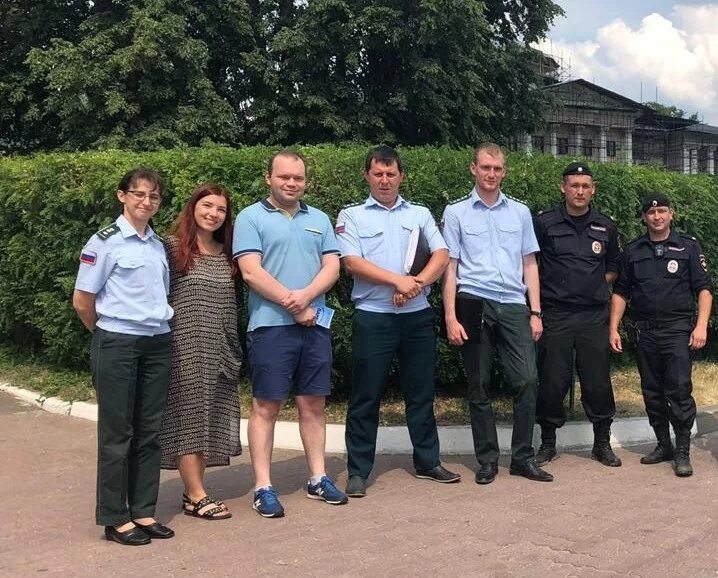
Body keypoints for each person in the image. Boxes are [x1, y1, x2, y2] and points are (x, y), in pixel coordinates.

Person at [337, 145, 461, 498]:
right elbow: (352, 263)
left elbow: (441, 254)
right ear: (367, 176)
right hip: (373, 318)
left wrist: (416, 284)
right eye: (378, 173)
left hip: (416, 317)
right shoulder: (352, 215)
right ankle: (358, 471)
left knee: (420, 393)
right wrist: (397, 282)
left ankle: (428, 462)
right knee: (365, 396)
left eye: (391, 174)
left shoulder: (420, 213)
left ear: (401, 176)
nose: (385, 180)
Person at [233, 150, 347, 518]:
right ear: (269, 178)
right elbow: (250, 271)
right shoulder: (250, 218)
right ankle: (263, 486)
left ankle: (317, 478)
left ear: (305, 181)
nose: (291, 183)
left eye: (298, 178)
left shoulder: (320, 219)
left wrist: (307, 299)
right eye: (284, 177)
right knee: (266, 406)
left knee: (313, 404)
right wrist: (293, 303)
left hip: (314, 325)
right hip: (270, 327)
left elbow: (333, 265)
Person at [72, 168, 175, 546]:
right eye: (139, 194)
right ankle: (115, 518)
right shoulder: (104, 242)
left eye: (154, 197)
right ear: (122, 196)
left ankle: (144, 510)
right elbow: (83, 301)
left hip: (157, 342)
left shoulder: (157, 244)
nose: (146, 202)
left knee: (149, 432)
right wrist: (107, 335)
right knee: (118, 434)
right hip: (117, 341)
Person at [441, 143, 553, 484]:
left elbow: (529, 262)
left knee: (527, 380)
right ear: (473, 168)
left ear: (504, 171)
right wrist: (450, 316)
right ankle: (487, 460)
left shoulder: (519, 212)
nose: (492, 174)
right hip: (473, 301)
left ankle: (522, 457)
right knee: (479, 384)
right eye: (486, 167)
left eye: (498, 168)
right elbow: (450, 267)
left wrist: (536, 311)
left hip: (514, 304)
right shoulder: (456, 212)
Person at [609, 193, 712, 477]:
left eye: (662, 211)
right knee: (652, 392)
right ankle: (663, 444)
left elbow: (703, 289)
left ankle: (682, 451)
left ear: (671, 214)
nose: (657, 217)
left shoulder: (688, 248)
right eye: (651, 213)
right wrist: (613, 327)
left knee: (679, 390)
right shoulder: (632, 251)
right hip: (644, 334)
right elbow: (620, 292)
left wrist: (701, 325)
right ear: (644, 217)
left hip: (678, 331)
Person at [159, 183, 242, 520]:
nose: (213, 214)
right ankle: (196, 494)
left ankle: (194, 489)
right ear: (193, 208)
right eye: (207, 206)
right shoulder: (171, 248)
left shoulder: (227, 253)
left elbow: (232, 304)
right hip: (184, 347)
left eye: (220, 210)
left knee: (211, 416)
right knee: (189, 417)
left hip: (221, 347)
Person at [533, 162, 622, 467]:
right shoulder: (544, 223)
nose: (580, 191)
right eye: (574, 185)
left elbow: (612, 268)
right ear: (563, 187)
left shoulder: (606, 226)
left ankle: (601, 443)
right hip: (556, 313)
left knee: (597, 381)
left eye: (585, 186)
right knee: (552, 380)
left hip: (592, 316)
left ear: (593, 189)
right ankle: (547, 443)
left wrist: (591, 285)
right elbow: (534, 266)